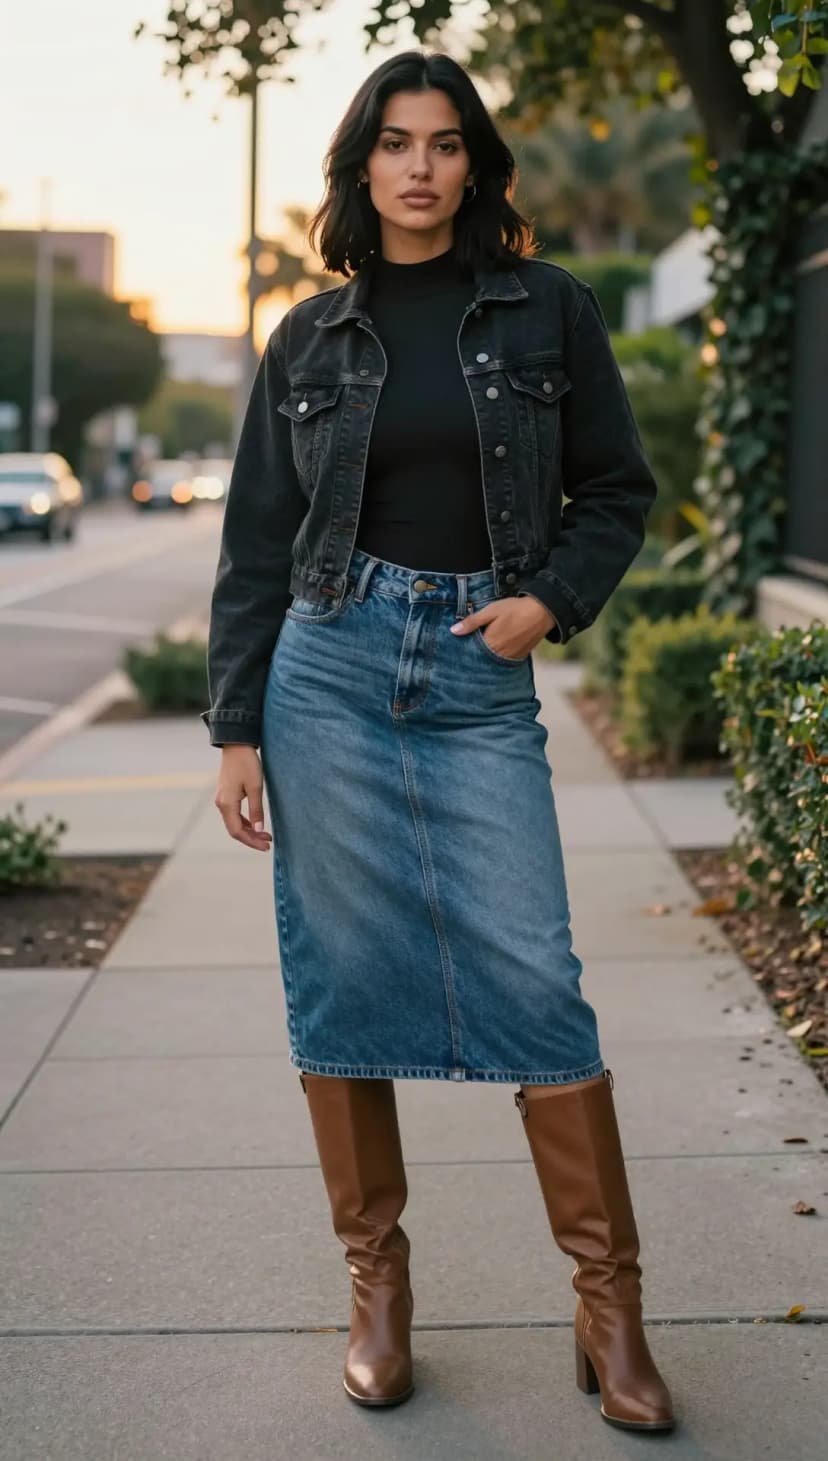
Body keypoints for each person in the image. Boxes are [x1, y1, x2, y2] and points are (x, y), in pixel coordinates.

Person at [201, 49, 675, 1435]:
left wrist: (550, 601)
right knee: (341, 974)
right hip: (330, 665)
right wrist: (236, 726)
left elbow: (618, 490)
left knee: (537, 972)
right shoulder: (308, 338)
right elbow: (252, 550)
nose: (421, 166)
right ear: (361, 167)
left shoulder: (549, 314)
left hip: (478, 670)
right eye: (396, 143)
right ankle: (378, 1288)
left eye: (446, 142)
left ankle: (610, 1307)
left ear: (476, 164)